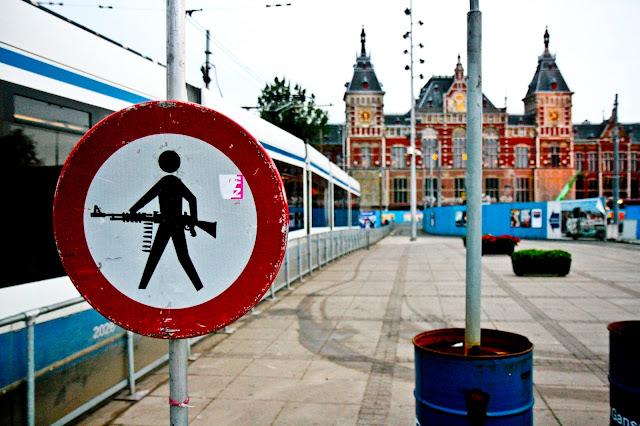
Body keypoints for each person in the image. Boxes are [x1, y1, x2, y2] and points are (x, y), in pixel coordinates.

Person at [130, 150, 204, 291]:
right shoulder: (176, 182)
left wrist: (132, 211)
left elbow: (147, 197)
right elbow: (192, 199)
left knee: (155, 257)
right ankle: (199, 288)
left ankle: (141, 289)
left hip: (167, 224)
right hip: (175, 225)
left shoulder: (165, 182)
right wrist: (193, 221)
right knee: (182, 257)